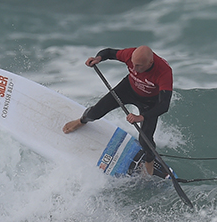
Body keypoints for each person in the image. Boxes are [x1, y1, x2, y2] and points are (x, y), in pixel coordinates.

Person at [62, 45, 172, 176]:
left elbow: (164, 105)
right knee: (94, 113)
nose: (135, 70)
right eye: (133, 65)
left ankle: (149, 161)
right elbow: (108, 52)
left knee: (145, 141)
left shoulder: (164, 72)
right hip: (127, 89)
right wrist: (98, 58)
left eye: (139, 66)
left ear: (150, 62)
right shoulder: (130, 54)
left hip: (150, 102)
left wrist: (141, 117)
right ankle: (82, 121)